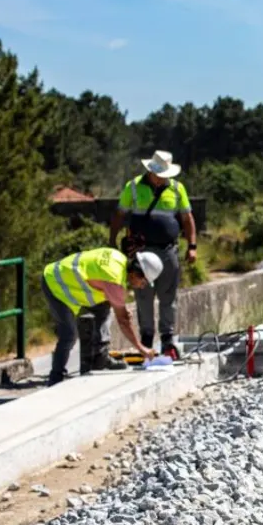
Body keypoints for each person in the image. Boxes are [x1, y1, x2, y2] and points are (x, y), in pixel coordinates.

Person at [110, 150, 197, 359]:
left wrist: (192, 245)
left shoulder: (177, 189)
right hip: (141, 252)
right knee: (143, 296)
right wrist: (112, 240)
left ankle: (167, 340)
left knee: (169, 296)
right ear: (150, 171)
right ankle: (147, 339)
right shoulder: (133, 187)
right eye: (159, 174)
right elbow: (119, 215)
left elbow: (187, 219)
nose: (162, 178)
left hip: (168, 251)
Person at [41, 248, 162, 386]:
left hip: (63, 275)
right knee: (69, 335)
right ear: (136, 274)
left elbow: (107, 289)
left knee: (104, 306)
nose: (142, 287)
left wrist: (120, 306)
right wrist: (141, 349)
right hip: (55, 284)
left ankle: (100, 358)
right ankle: (55, 378)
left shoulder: (117, 257)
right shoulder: (114, 281)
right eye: (144, 282)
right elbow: (123, 321)